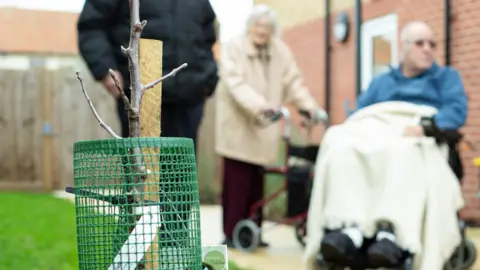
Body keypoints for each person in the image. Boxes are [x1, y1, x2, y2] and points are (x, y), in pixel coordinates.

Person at [304, 21, 468, 269]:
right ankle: (349, 229)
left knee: (403, 152)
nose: (428, 49)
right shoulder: (381, 82)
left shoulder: (446, 78)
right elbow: (360, 114)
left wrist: (425, 127)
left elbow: (456, 112)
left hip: (416, 134)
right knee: (340, 145)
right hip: (377, 132)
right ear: (402, 48)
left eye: (432, 44)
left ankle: (391, 235)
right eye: (420, 43)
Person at [215, 4, 325, 248]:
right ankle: (231, 234)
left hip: (264, 127)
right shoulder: (234, 47)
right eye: (258, 26)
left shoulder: (280, 52)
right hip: (239, 126)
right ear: (250, 26)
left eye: (267, 27)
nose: (262, 31)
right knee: (237, 182)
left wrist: (309, 106)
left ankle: (252, 233)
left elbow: (293, 82)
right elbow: (235, 84)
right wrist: (261, 106)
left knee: (257, 183)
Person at [77, 0, 219, 151]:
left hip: (189, 99)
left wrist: (208, 77)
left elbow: (208, 34)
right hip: (140, 98)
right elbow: (91, 25)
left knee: (182, 171)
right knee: (141, 168)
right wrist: (105, 69)